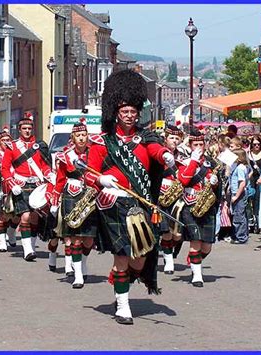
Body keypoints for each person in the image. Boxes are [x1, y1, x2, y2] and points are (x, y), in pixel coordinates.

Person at [85, 69, 175, 325]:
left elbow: (155, 150)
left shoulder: (145, 137)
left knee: (140, 258)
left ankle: (120, 281)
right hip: (114, 205)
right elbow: (88, 174)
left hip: (140, 202)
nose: (128, 116)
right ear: (116, 113)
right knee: (123, 254)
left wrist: (165, 156)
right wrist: (101, 179)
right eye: (124, 112)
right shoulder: (102, 142)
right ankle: (123, 306)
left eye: (133, 112)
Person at [48, 118, 96, 288]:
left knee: (89, 239)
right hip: (71, 194)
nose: (82, 138)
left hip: (91, 195)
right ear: (73, 138)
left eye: (84, 135)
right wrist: (54, 201)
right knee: (75, 239)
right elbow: (60, 180)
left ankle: (83, 263)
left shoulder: (96, 152)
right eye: (78, 135)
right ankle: (77, 275)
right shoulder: (64, 156)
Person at [1, 113, 54, 261]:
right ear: (19, 130)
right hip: (21, 184)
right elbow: (5, 169)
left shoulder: (40, 145)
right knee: (25, 216)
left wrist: (49, 175)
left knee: (35, 218)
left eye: (29, 128)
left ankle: (31, 244)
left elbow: (45, 165)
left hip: (37, 184)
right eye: (24, 128)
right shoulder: (12, 146)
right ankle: (28, 250)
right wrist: (12, 184)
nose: (27, 131)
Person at [178, 128, 219, 287]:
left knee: (207, 246)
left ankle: (195, 262)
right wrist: (193, 160)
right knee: (195, 240)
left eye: (201, 144)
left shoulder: (211, 162)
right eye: (196, 144)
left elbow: (215, 183)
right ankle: (197, 275)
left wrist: (215, 181)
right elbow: (184, 179)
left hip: (207, 205)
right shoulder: (184, 160)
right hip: (190, 204)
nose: (199, 147)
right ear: (190, 145)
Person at [158, 124, 184, 275]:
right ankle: (168, 261)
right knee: (166, 231)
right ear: (165, 139)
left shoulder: (182, 155)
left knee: (178, 234)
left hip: (177, 197)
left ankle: (171, 251)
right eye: (171, 138)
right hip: (161, 194)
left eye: (176, 138)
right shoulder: (159, 153)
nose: (174, 140)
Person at [229, 149, 249, 244]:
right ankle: (239, 235)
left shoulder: (241, 168)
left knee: (239, 216)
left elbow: (242, 183)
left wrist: (236, 196)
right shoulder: (237, 167)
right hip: (236, 193)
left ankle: (241, 236)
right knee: (238, 215)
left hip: (239, 195)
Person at [248, 135, 261, 233]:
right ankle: (254, 223)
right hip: (251, 179)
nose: (256, 146)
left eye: (258, 144)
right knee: (251, 200)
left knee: (259, 201)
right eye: (254, 144)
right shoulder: (248, 154)